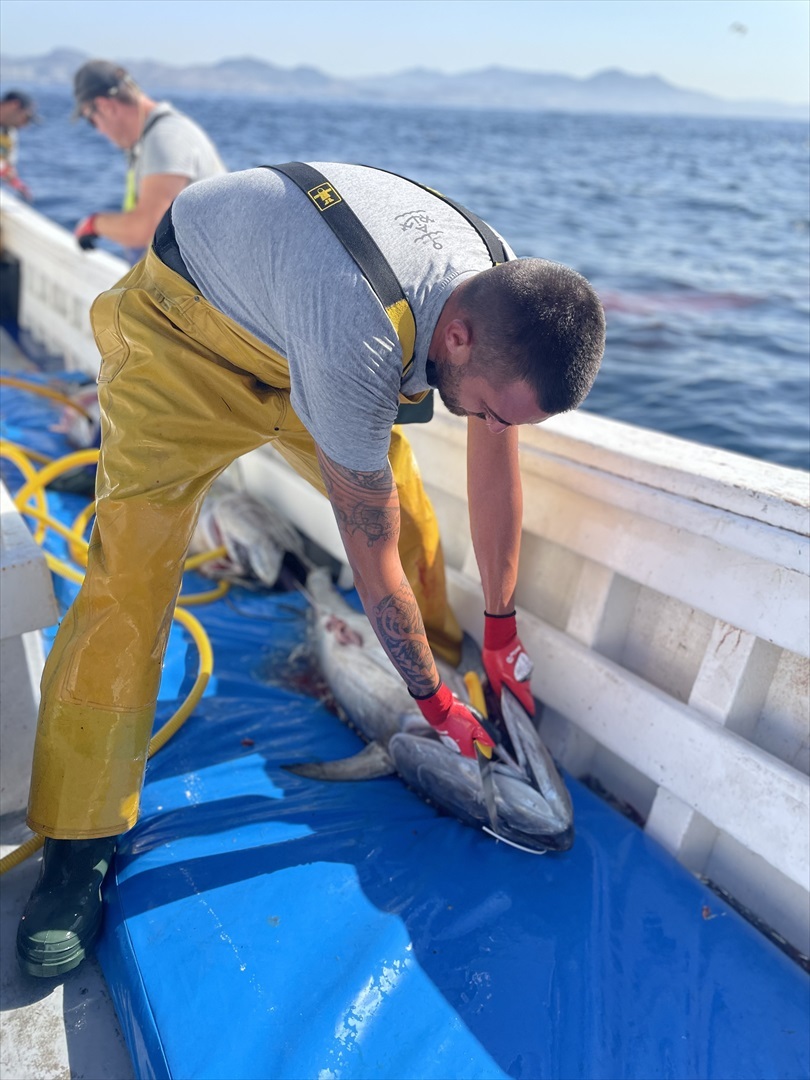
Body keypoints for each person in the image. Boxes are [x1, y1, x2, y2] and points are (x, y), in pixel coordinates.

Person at [16, 162, 605, 978]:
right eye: (490, 405)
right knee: (132, 582)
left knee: (412, 518)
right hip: (182, 337)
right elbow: (368, 551)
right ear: (459, 339)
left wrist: (500, 630)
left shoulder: (498, 286)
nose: (487, 422)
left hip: (297, 332)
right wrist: (432, 695)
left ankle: (417, 697)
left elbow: (494, 458)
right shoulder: (357, 334)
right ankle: (79, 844)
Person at [70, 59, 225, 257]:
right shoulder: (149, 138)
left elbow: (145, 229)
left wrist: (93, 224)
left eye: (91, 120)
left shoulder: (166, 137)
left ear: (105, 106)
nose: (98, 130)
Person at [0, 90, 39, 201]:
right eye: (26, 118)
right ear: (14, 105)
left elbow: (8, 169)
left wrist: (18, 185)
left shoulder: (10, 134)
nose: (25, 125)